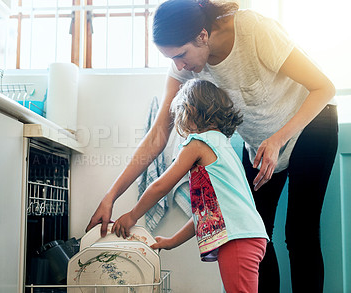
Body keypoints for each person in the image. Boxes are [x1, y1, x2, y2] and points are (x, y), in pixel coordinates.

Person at [86, 0, 338, 292]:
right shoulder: (186, 64)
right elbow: (158, 135)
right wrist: (111, 197)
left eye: (181, 55)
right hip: (259, 144)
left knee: (299, 231)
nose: (179, 66)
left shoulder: (254, 29)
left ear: (202, 36)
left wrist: (278, 138)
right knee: (255, 232)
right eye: (173, 59)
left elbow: (325, 87)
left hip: (310, 124)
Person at [111, 79, 269, 293]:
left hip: (238, 238)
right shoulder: (222, 144)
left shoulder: (197, 143)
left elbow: (161, 186)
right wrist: (172, 241)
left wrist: (132, 215)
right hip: (248, 234)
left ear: (190, 111)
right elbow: (207, 214)